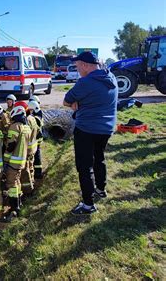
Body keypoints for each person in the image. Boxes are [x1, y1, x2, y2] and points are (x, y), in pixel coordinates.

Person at [63, 51, 118, 215]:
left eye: (78, 66)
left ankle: (88, 205)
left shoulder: (85, 82)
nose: (77, 69)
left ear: (86, 65)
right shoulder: (111, 77)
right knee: (99, 157)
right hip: (107, 128)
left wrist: (76, 102)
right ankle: (101, 189)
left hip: (87, 128)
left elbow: (66, 101)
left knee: (84, 166)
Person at [3, 103, 31, 217]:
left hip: (13, 161)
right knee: (17, 182)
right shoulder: (26, 127)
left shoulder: (15, 126)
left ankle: (14, 209)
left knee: (11, 184)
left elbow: (11, 145)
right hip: (22, 161)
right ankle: (19, 205)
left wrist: (5, 159)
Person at [21, 101, 39, 195]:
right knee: (31, 167)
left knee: (25, 170)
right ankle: (32, 183)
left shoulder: (27, 120)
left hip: (28, 149)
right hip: (33, 147)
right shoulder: (32, 118)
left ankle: (28, 191)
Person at [29, 100, 45, 179]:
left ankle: (38, 173)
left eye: (31, 110)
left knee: (36, 156)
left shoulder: (36, 118)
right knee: (36, 155)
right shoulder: (39, 114)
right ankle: (38, 172)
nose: (30, 111)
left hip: (36, 140)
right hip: (37, 139)